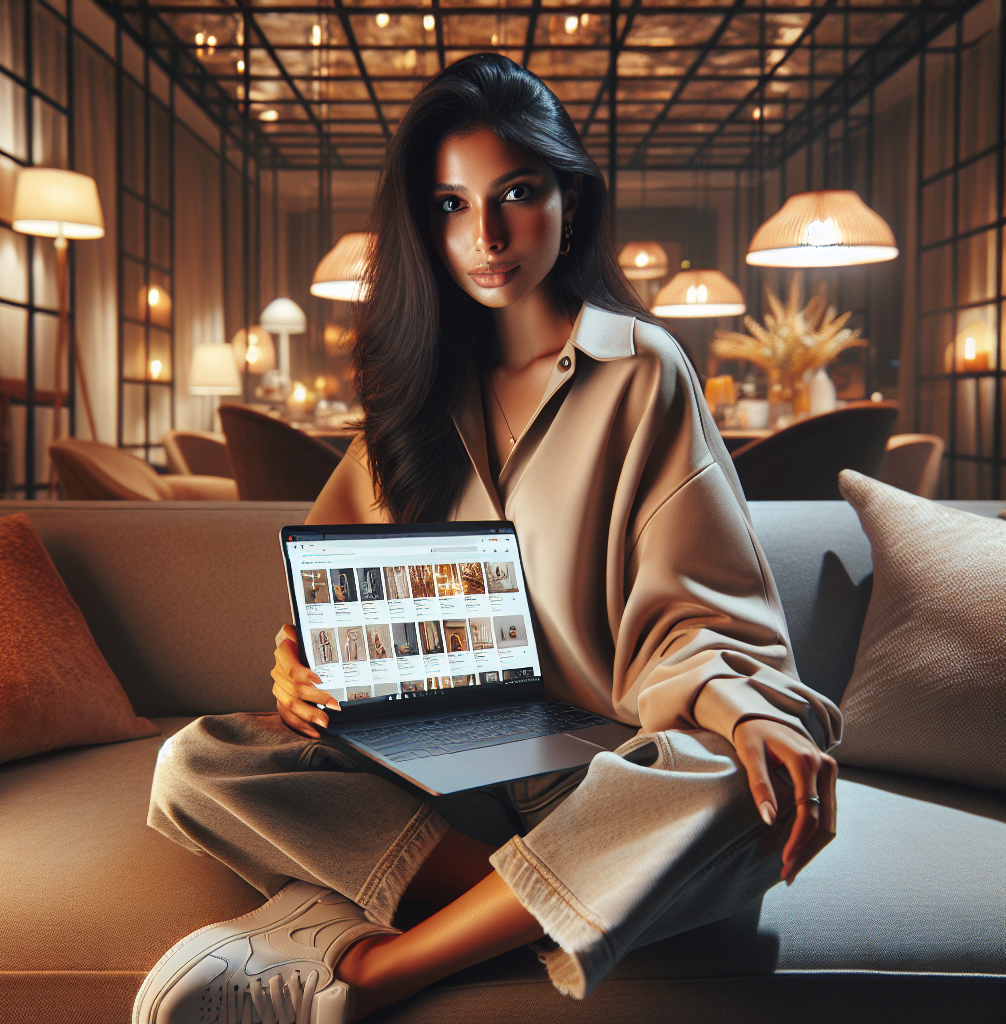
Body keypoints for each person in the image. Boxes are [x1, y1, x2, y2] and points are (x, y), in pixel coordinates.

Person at [137, 54, 840, 1024]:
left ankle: (378, 963)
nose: (488, 235)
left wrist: (747, 712)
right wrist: (295, 665)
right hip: (446, 758)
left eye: (517, 192)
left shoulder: (642, 372)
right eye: (451, 204)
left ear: (569, 196)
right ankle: (556, 901)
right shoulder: (413, 389)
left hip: (604, 768)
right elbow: (330, 580)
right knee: (196, 763)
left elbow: (696, 612)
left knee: (737, 796)